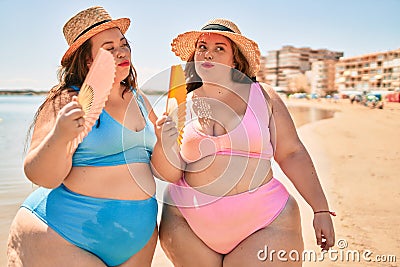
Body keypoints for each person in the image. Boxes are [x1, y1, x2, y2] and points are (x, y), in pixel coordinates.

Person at [157, 19, 336, 266]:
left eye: (220, 48)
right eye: (202, 46)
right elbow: (171, 172)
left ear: (235, 60)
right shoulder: (180, 102)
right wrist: (162, 143)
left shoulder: (263, 96)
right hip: (186, 221)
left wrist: (320, 209)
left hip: (264, 221)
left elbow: (292, 153)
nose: (208, 53)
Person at [7, 6, 169, 267]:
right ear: (88, 61)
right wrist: (60, 136)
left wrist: (166, 141)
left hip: (138, 239)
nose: (121, 51)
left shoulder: (140, 100)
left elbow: (162, 170)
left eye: (123, 44)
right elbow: (41, 176)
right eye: (108, 48)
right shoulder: (67, 101)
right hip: (65, 235)